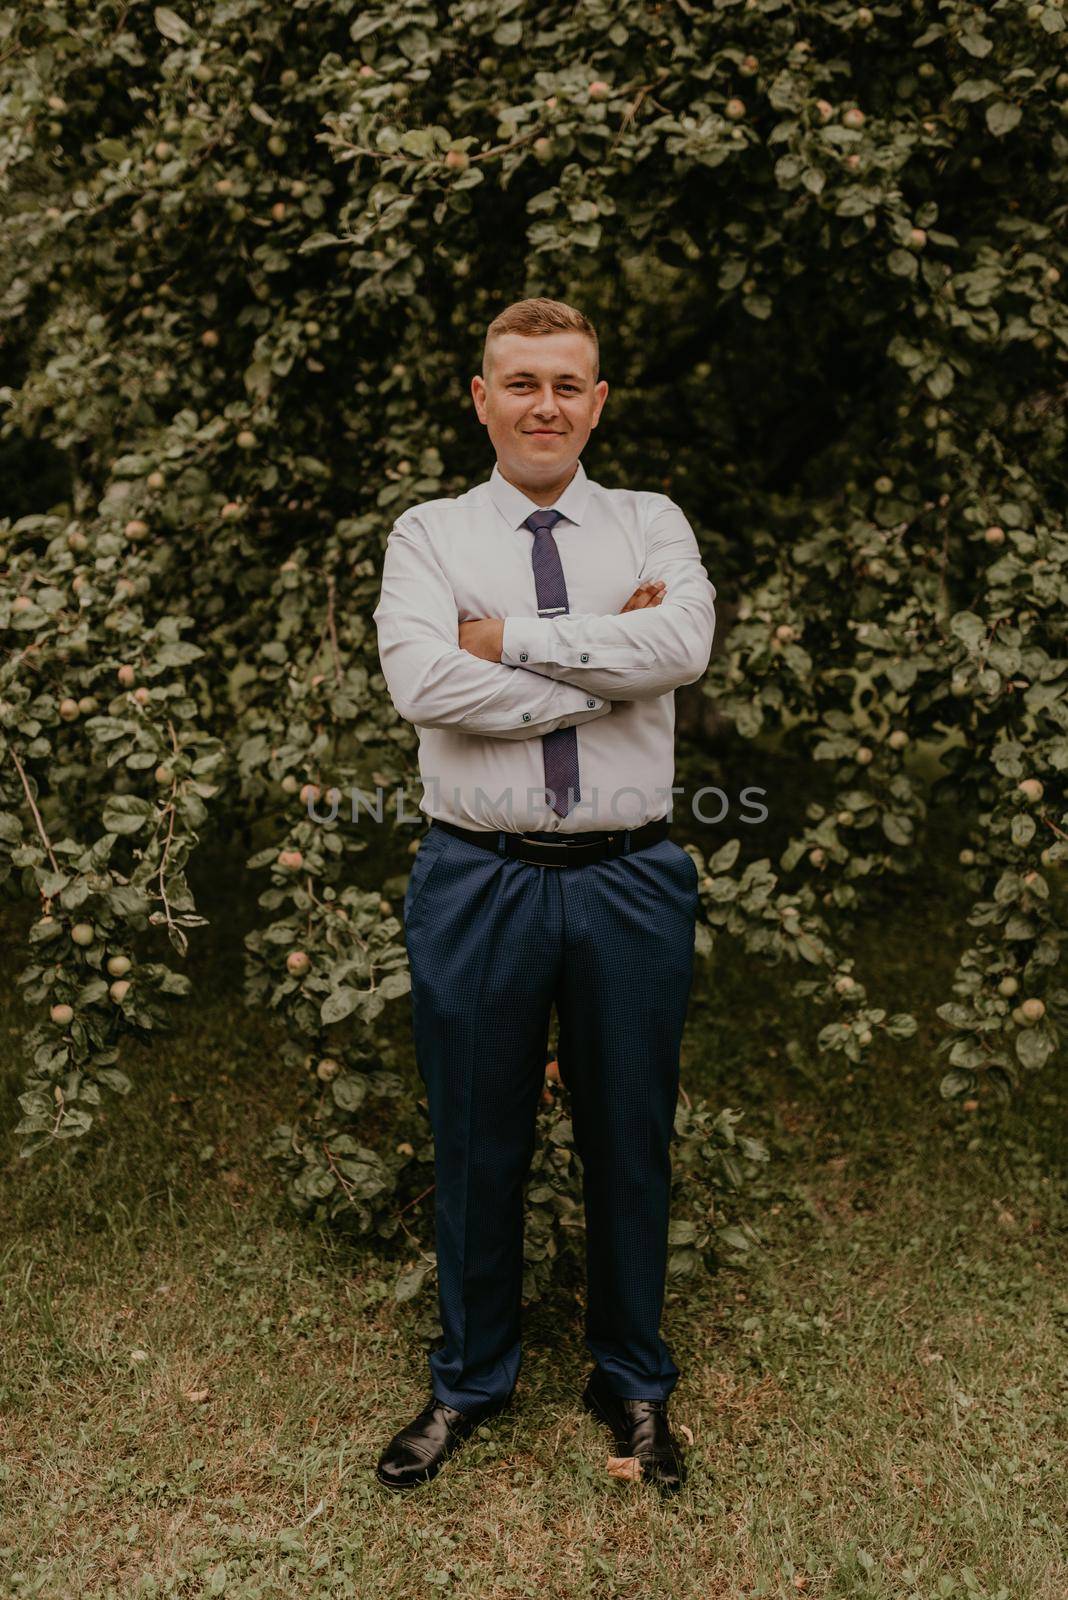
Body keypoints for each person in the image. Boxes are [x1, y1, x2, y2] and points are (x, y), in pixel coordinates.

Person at [371, 297, 717, 1494]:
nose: (545, 405)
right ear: (481, 397)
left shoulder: (651, 522)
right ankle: (470, 1378)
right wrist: (599, 672)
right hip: (477, 877)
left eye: (568, 383)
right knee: (475, 1137)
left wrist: (504, 639)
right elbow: (424, 682)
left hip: (630, 878)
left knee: (632, 1138)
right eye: (520, 381)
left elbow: (684, 648)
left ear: (599, 400)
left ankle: (631, 1378)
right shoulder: (427, 534)